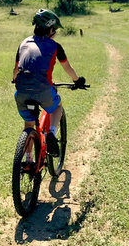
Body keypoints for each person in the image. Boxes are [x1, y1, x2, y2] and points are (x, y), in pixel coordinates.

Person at [13, 8, 86, 157]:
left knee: (29, 124)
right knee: (57, 106)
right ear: (51, 29)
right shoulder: (55, 46)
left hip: (21, 93)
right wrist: (77, 81)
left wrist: (15, 80)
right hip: (44, 91)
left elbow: (15, 71)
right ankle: (52, 133)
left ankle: (28, 159)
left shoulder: (24, 43)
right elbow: (68, 68)